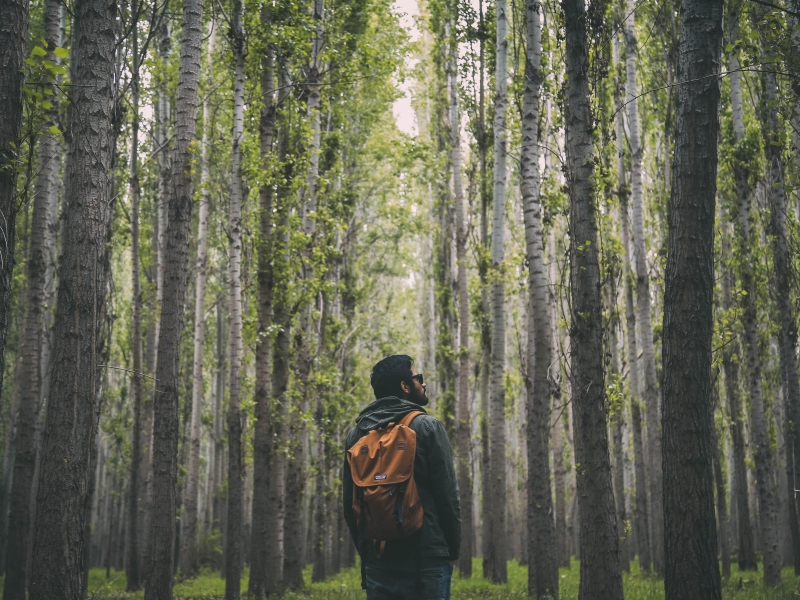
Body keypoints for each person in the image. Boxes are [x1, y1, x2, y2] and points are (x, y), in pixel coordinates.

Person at [342, 354, 461, 600]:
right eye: (419, 378)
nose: (424, 383)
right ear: (405, 387)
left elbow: (349, 504)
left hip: (379, 556)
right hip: (427, 556)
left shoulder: (357, 436)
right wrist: (450, 550)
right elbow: (447, 495)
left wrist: (367, 553)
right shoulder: (427, 427)